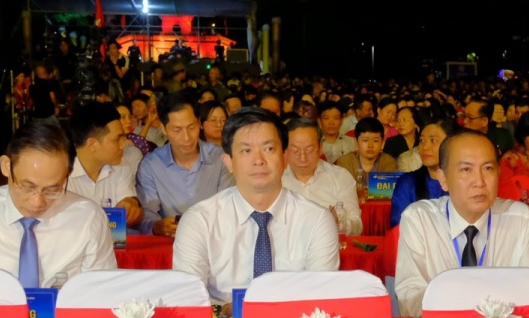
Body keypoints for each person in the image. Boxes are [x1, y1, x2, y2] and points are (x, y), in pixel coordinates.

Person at [172, 108, 340, 302]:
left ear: (285, 158)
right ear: (229, 162)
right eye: (246, 151)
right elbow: (188, 300)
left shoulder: (316, 220)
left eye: (268, 149)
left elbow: (321, 298)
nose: (258, 161)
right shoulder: (199, 221)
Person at [394, 129, 529, 318]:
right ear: (443, 178)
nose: (479, 182)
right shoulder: (419, 220)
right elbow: (409, 298)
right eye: (466, 169)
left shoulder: (521, 220)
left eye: (487, 168)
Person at [0, 118, 116, 285]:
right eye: (27, 187)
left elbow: (99, 291)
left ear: (67, 176)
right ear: (6, 166)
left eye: (52, 190)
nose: (37, 202)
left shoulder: (88, 218)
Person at [135, 91, 233, 235]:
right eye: (177, 130)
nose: (186, 137)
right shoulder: (151, 165)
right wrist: (157, 227)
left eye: (191, 127)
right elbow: (147, 214)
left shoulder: (220, 158)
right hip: (170, 246)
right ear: (163, 128)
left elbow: (229, 207)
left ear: (199, 123)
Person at [66, 103, 142, 230]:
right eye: (117, 139)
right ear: (92, 144)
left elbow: (128, 203)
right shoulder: (61, 176)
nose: (123, 145)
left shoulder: (121, 166)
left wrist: (131, 205)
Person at [282, 116, 362, 236]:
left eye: (309, 150)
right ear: (285, 150)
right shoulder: (274, 179)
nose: (302, 158)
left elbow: (357, 225)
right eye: (295, 151)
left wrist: (339, 225)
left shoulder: (340, 177)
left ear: (320, 148)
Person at [389, 118, 449, 227]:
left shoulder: (463, 182)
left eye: (433, 140)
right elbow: (398, 226)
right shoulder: (408, 183)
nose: (425, 146)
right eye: (421, 140)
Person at [334, 118, 399, 196]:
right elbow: (342, 190)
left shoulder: (388, 161)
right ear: (356, 142)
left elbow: (389, 191)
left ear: (382, 143)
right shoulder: (345, 162)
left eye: (376, 141)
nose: (370, 145)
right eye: (365, 140)